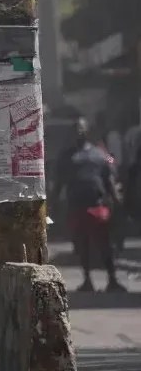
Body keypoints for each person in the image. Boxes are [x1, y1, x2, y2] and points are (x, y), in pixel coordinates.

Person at [55, 117, 126, 293]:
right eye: (75, 129)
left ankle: (113, 279)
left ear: (87, 131)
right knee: (82, 245)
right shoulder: (66, 157)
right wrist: (52, 204)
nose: (78, 132)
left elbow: (109, 180)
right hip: (77, 207)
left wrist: (117, 202)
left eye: (81, 128)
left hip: (98, 206)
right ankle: (87, 280)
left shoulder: (101, 154)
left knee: (105, 244)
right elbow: (58, 183)